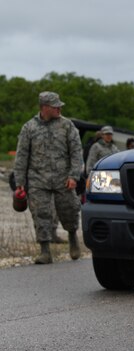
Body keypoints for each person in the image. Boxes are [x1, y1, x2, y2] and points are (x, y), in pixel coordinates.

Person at [13, 91, 83, 264]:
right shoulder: (29, 128)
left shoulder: (67, 126)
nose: (59, 108)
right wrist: (20, 182)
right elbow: (22, 156)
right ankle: (45, 251)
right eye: (55, 106)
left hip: (63, 178)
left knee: (69, 209)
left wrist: (74, 175)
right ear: (44, 107)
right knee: (40, 214)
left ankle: (73, 237)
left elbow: (76, 152)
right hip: (38, 179)